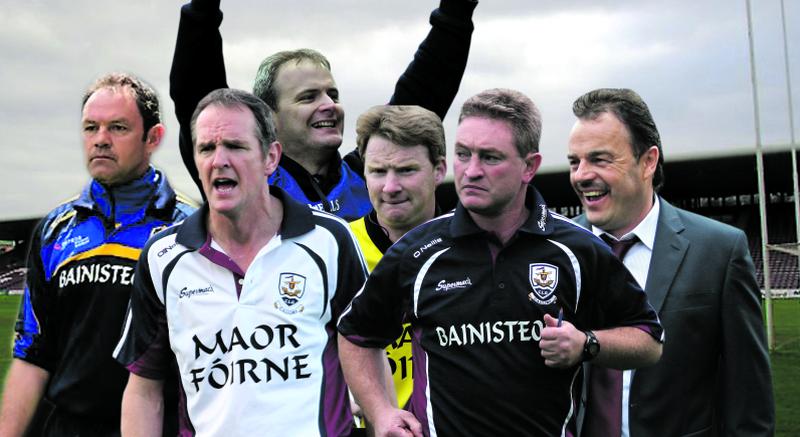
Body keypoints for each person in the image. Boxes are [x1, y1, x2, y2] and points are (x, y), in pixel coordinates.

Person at [337, 88, 664, 437]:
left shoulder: (577, 248)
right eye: (463, 154)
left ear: (529, 166)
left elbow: (649, 340)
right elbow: (356, 335)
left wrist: (586, 344)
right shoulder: (418, 251)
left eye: (490, 157)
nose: (471, 171)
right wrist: (382, 413)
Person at [115, 88, 369, 436]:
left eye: (234, 146)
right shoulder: (163, 257)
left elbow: (368, 349)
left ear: (271, 158)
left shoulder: (330, 239)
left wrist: (381, 417)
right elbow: (145, 389)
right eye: (206, 148)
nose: (218, 160)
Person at [567, 88, 775, 436]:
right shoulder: (556, 250)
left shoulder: (719, 251)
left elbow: (749, 400)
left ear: (648, 161)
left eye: (600, 159)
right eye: (575, 161)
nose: (581, 175)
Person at [0, 73, 195, 437]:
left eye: (118, 127)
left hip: (158, 425)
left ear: (153, 138)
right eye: (91, 127)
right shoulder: (55, 230)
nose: (101, 140)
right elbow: (33, 354)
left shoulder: (190, 229)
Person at [170, 0, 478, 221]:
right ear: (269, 116)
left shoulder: (368, 176)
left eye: (333, 94)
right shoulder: (246, 180)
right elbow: (200, 101)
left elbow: (424, 92)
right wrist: (202, 10)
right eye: (308, 97)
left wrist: (456, 10)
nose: (329, 106)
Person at [349, 105, 447, 417]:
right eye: (378, 171)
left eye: (406, 170)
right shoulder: (337, 249)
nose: (390, 187)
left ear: (439, 170)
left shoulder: (473, 248)